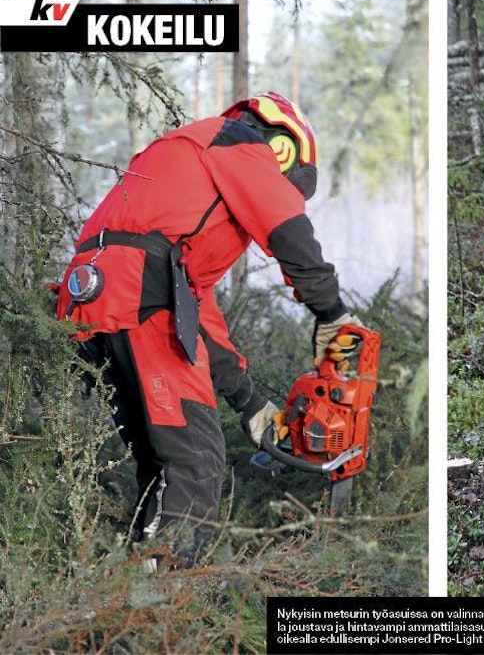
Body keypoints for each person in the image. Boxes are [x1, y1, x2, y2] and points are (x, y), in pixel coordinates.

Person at [57, 92, 361, 566]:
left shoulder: (181, 165)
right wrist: (331, 311)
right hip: (142, 294)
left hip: (93, 297)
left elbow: (198, 317)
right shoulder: (239, 141)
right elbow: (287, 228)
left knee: (162, 464)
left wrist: (251, 402)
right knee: (195, 459)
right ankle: (169, 603)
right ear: (284, 149)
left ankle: (130, 598)